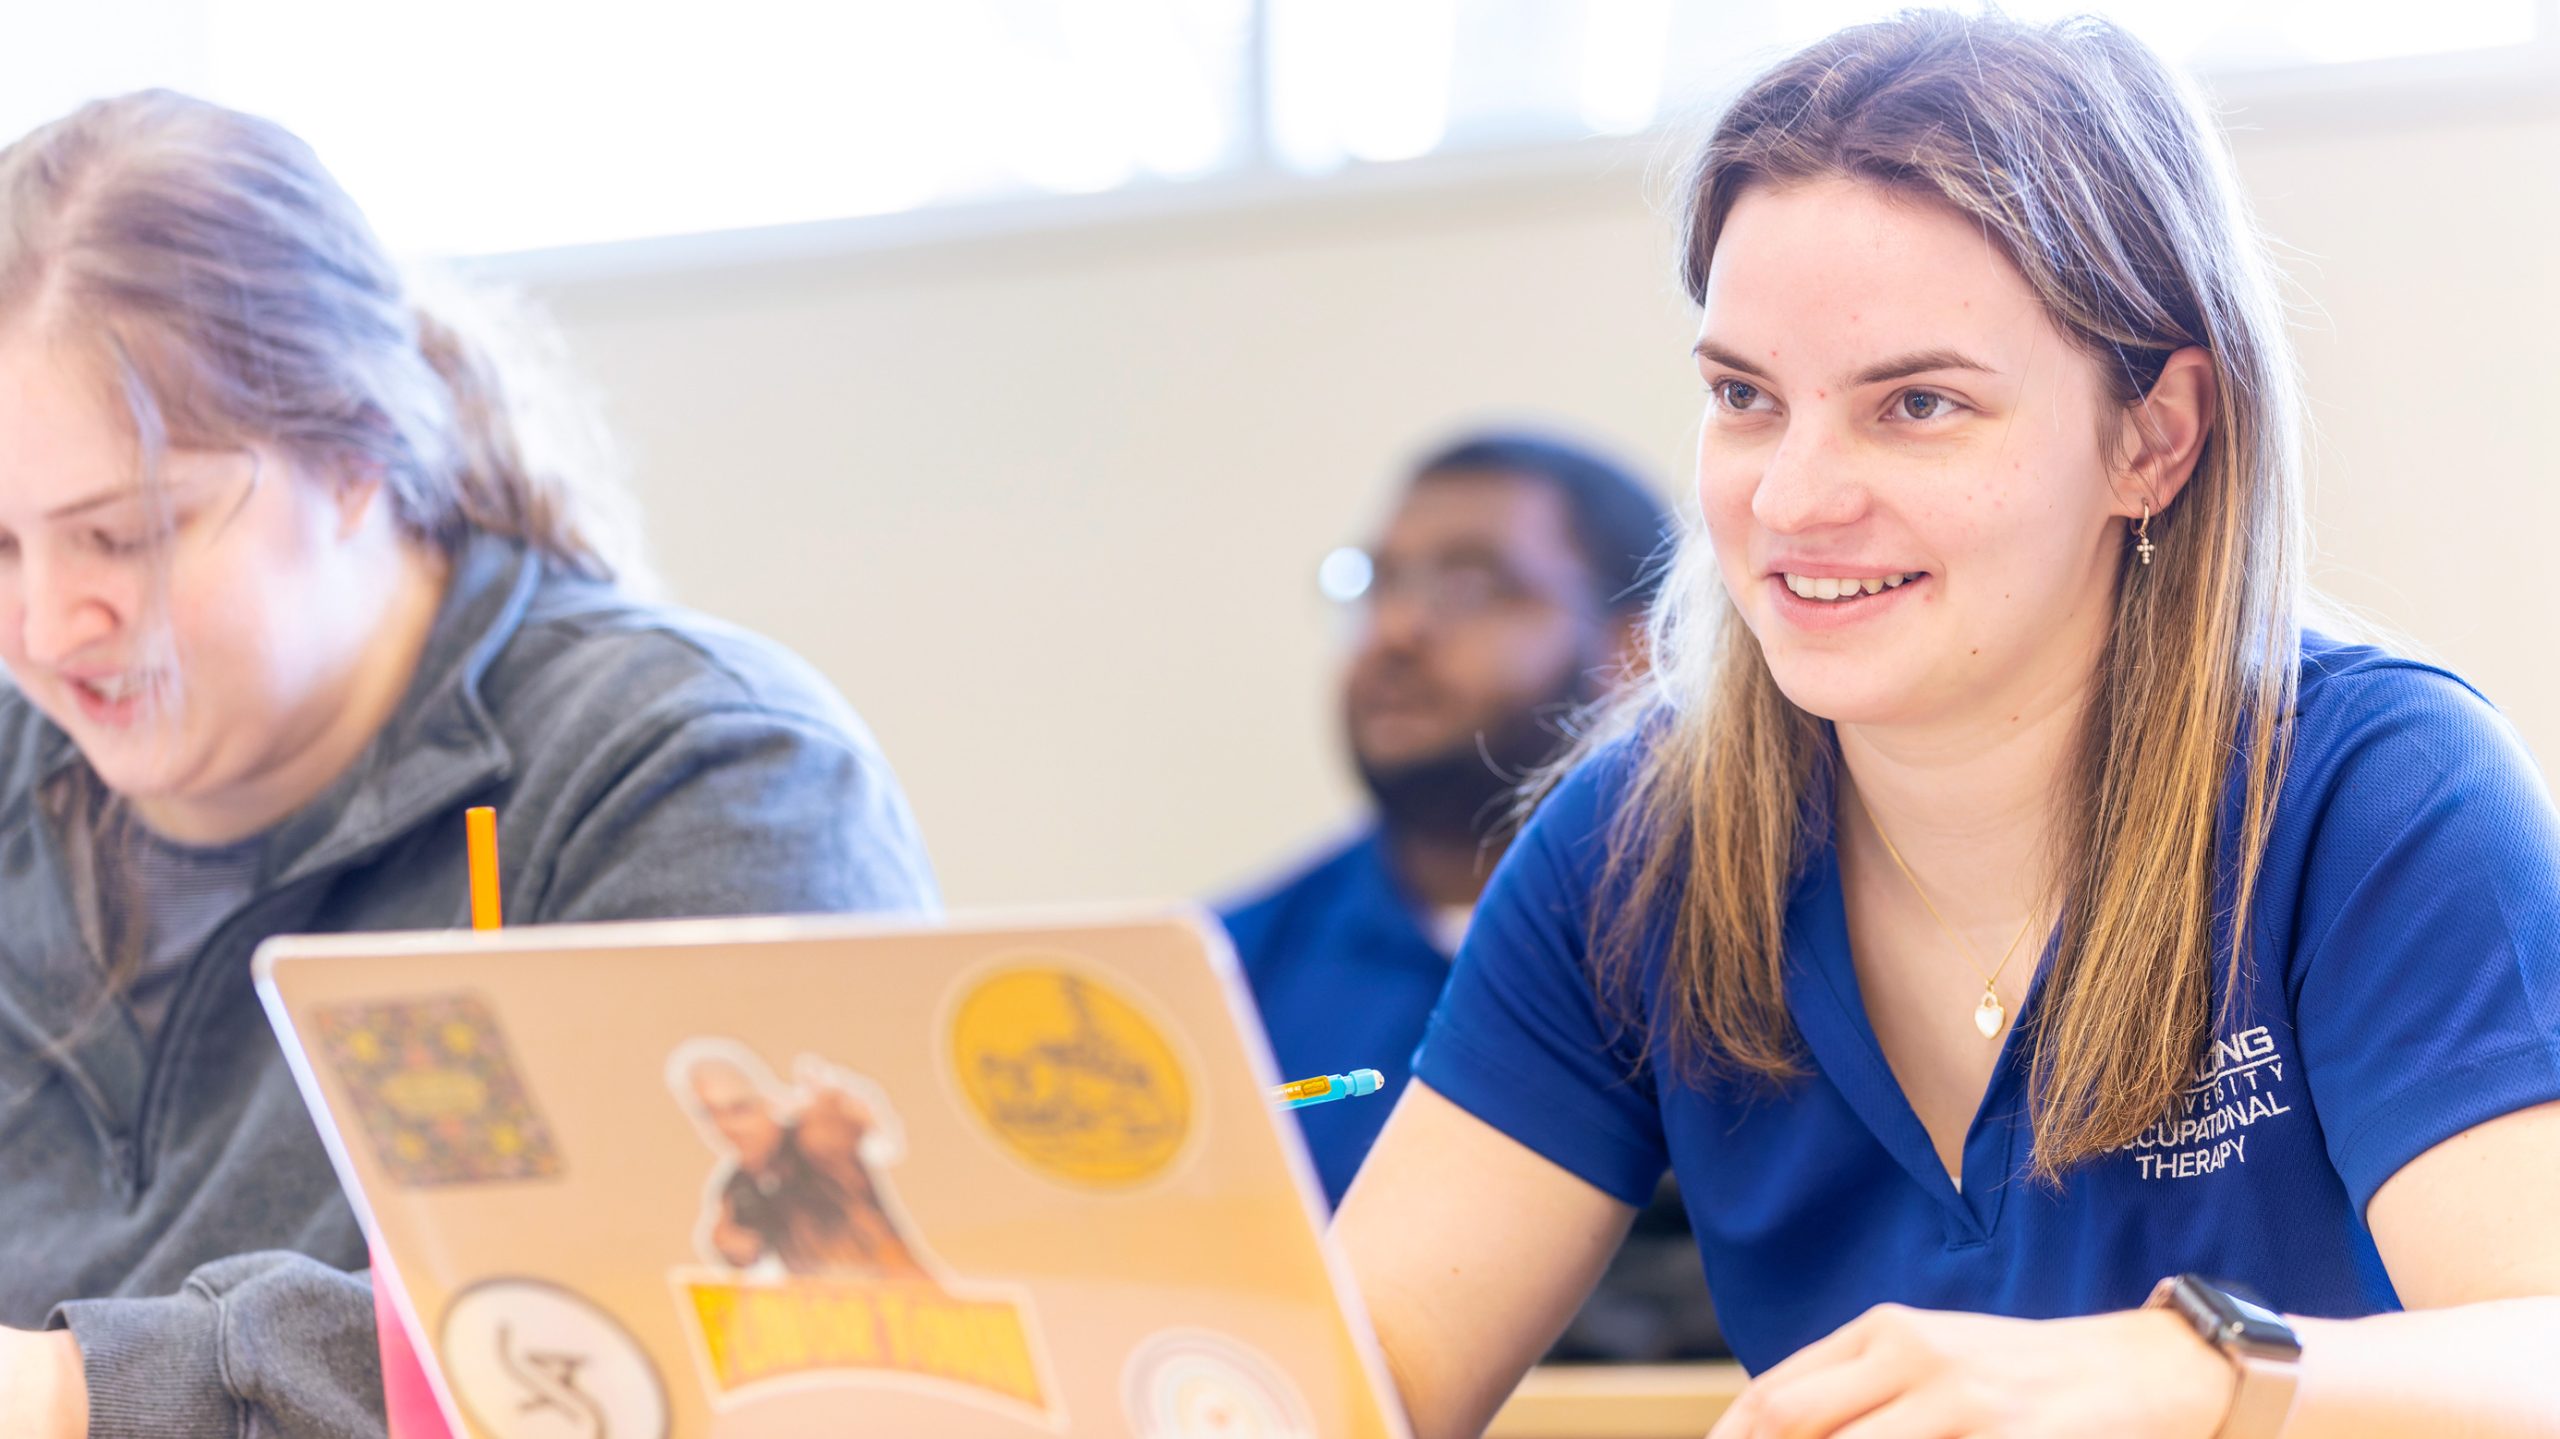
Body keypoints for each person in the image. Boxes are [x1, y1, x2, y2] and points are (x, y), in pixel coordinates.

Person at [1332, 13, 2560, 1439]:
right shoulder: (1631, 849)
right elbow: (1354, 1384)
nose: (1792, 500)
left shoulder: (2374, 795)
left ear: (2153, 436)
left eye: (1917, 404)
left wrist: (2183, 1372)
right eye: (1745, 396)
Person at [0, 92, 937, 1437]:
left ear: (358, 457)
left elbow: (731, 1343)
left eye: (129, 533)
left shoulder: (700, 775)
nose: (43, 627)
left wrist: (71, 1392)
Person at [1221, 431, 1672, 1204]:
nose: (1396, 629)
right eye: (1377, 584)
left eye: (1471, 586)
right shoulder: (1228, 973)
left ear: (1636, 648)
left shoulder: (1735, 951)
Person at [676, 1046, 931, 1280]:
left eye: (740, 1109)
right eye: (711, 1114)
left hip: (904, 1299)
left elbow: (866, 1131)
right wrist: (731, 1247)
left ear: (767, 1100)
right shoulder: (739, 1186)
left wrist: (836, 1108)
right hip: (833, 1314)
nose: (728, 1127)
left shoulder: (810, 1140)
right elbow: (743, 1251)